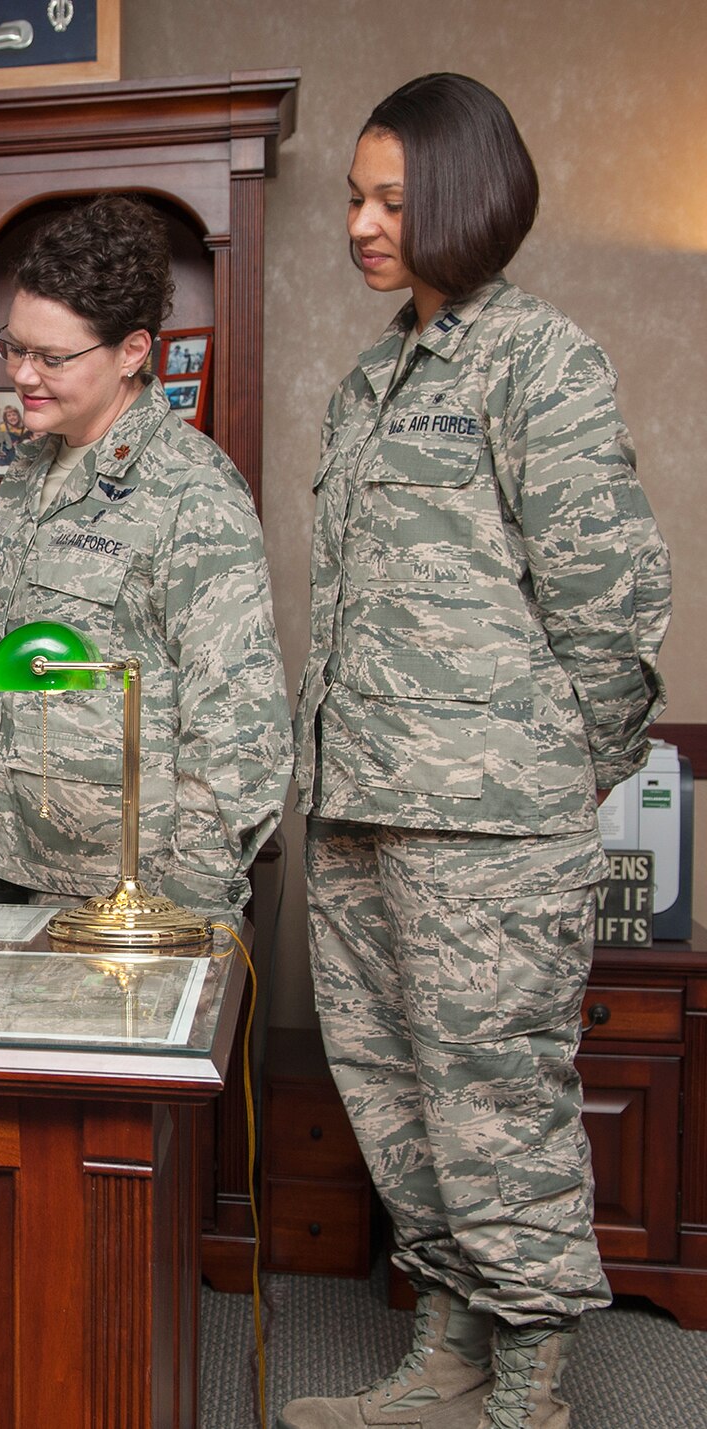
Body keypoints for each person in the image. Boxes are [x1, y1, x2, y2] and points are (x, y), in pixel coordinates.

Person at [281, 75, 669, 1429]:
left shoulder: (539, 361)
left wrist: (557, 777)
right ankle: (445, 1364)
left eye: (393, 197)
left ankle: (528, 1396)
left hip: (492, 831)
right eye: (355, 196)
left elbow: (608, 607)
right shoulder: (371, 382)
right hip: (360, 812)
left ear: (467, 196)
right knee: (399, 1103)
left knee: (499, 1107)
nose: (362, 222)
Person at [0, 193, 290, 926]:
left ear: (133, 350)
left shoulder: (192, 490)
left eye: (53, 357)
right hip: (8, 876)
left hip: (132, 908)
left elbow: (241, 734)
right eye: (14, 346)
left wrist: (177, 918)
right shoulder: (24, 479)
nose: (24, 374)